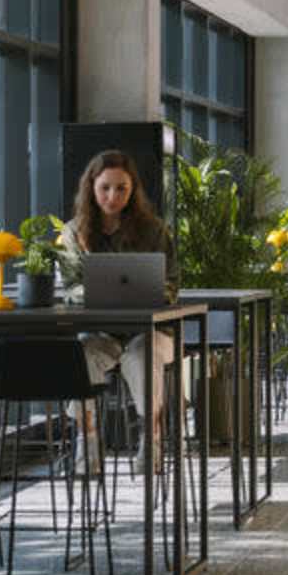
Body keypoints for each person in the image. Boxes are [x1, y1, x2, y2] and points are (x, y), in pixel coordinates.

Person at [64, 147, 173, 414]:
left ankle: (151, 443)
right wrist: (97, 293)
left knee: (144, 356)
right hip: (100, 331)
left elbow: (171, 286)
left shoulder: (154, 230)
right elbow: (70, 287)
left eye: (121, 188)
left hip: (150, 331)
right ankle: (87, 444)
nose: (112, 196)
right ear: (91, 188)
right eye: (105, 188)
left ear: (133, 190)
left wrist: (150, 294)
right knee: (82, 354)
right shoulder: (73, 232)